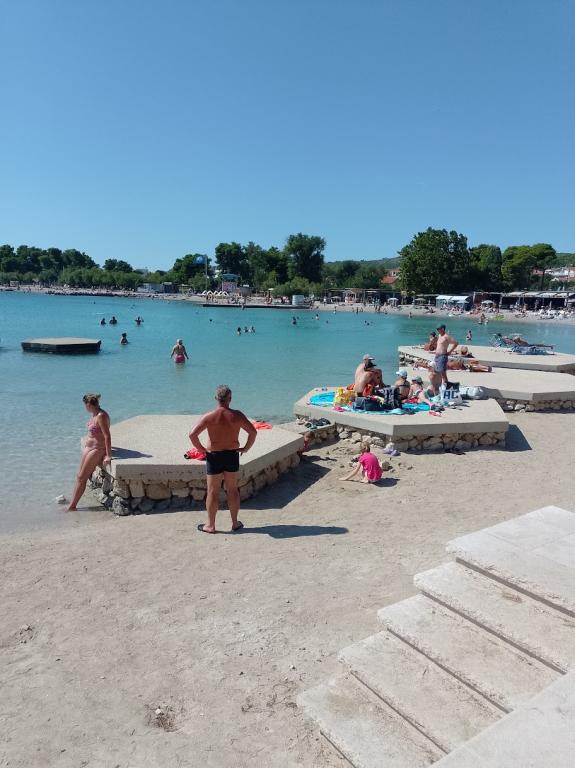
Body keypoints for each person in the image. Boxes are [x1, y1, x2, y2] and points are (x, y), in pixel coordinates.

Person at [190, 385, 258, 534]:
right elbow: (253, 432)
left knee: (212, 492)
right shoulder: (237, 415)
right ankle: (235, 523)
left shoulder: (209, 416)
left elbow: (192, 435)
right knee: (232, 490)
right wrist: (245, 448)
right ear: (230, 399)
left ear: (216, 398)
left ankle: (210, 525)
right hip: (232, 455)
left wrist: (201, 449)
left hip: (214, 456)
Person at [67, 394, 112, 511]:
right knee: (79, 476)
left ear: (88, 405)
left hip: (97, 449)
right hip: (89, 447)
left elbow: (107, 436)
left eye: (84, 405)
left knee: (82, 477)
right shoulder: (94, 414)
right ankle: (72, 504)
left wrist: (108, 455)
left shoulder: (101, 416)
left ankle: (72, 506)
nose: (84, 407)